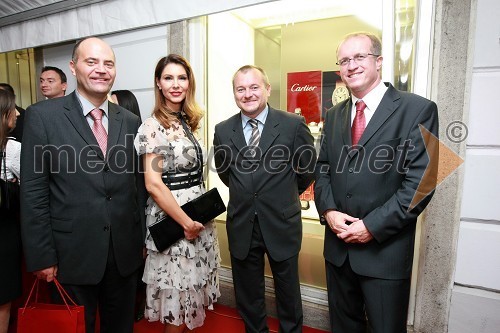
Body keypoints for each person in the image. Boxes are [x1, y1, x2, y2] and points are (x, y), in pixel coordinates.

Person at [314, 32, 439, 333]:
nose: (351, 66)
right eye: (344, 60)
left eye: (359, 57)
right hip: (338, 251)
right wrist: (328, 211)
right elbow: (322, 169)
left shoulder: (419, 109)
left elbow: (422, 182)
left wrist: (371, 226)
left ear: (379, 62)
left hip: (385, 254)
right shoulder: (333, 116)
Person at [20, 37, 147, 333]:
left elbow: (137, 187)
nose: (101, 70)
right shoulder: (43, 117)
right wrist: (42, 255)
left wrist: (140, 239)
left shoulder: (129, 121)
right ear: (74, 67)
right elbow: (34, 192)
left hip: (123, 254)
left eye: (108, 63)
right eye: (92, 62)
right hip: (70, 255)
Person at [213, 65, 316, 333]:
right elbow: (226, 174)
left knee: (288, 292)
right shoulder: (223, 130)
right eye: (241, 89)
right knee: (248, 295)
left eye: (254, 87)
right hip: (242, 222)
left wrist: (282, 196)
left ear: (267, 89)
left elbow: (307, 169)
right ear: (234, 93)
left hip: (281, 221)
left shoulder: (293, 125)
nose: (247, 94)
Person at [134, 54, 220, 333]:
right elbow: (153, 184)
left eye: (181, 78)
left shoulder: (186, 121)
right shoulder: (152, 126)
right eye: (168, 78)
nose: (175, 84)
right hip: (176, 221)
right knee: (177, 296)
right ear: (158, 83)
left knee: (188, 295)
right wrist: (186, 223)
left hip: (196, 218)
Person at [0, 89, 21, 333]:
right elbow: (32, 189)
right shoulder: (13, 150)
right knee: (3, 300)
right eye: (13, 109)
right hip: (5, 232)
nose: (17, 113)